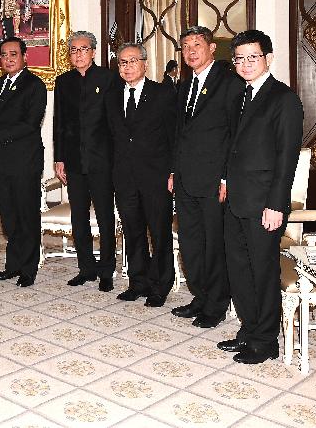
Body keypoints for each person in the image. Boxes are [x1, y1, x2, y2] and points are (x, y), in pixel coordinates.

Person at [218, 30, 303, 364]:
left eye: (252, 57)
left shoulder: (283, 99)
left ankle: (266, 340)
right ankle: (249, 329)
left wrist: (276, 205)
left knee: (263, 271)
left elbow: (286, 159)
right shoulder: (241, 94)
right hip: (237, 198)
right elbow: (233, 146)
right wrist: (225, 179)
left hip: (264, 203)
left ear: (269, 58)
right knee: (239, 269)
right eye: (239, 58)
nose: (245, 64)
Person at [170, 25, 244, 329]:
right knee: (191, 243)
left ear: (211, 48)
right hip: (186, 179)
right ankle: (199, 296)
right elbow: (179, 134)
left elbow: (235, 135)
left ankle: (216, 304)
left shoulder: (229, 82)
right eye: (185, 46)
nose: (190, 51)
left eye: (196, 45)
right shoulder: (184, 86)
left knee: (214, 245)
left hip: (215, 181)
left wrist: (226, 177)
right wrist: (173, 170)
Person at [106, 43, 177, 307]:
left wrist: (173, 171)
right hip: (124, 176)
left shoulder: (162, 93)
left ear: (145, 64)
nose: (127, 67)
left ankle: (160, 286)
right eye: (122, 62)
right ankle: (138, 281)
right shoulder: (112, 96)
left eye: (132, 61)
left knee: (159, 233)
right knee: (133, 231)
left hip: (156, 177)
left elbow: (173, 137)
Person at [52, 31, 118, 290]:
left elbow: (114, 122)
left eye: (83, 49)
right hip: (74, 161)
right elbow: (59, 123)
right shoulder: (63, 81)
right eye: (74, 50)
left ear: (93, 52)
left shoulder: (109, 78)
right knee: (78, 217)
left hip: (102, 160)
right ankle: (86, 268)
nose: (78, 54)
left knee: (104, 218)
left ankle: (106, 272)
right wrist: (59, 158)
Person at [0, 36, 46, 287]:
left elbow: (31, 123)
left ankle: (28, 269)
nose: (7, 59)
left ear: (24, 57)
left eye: (13, 55)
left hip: (26, 160)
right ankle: (13, 266)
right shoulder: (2, 83)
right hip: (5, 160)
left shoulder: (35, 85)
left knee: (27, 215)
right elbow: (5, 116)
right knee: (9, 216)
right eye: (3, 56)